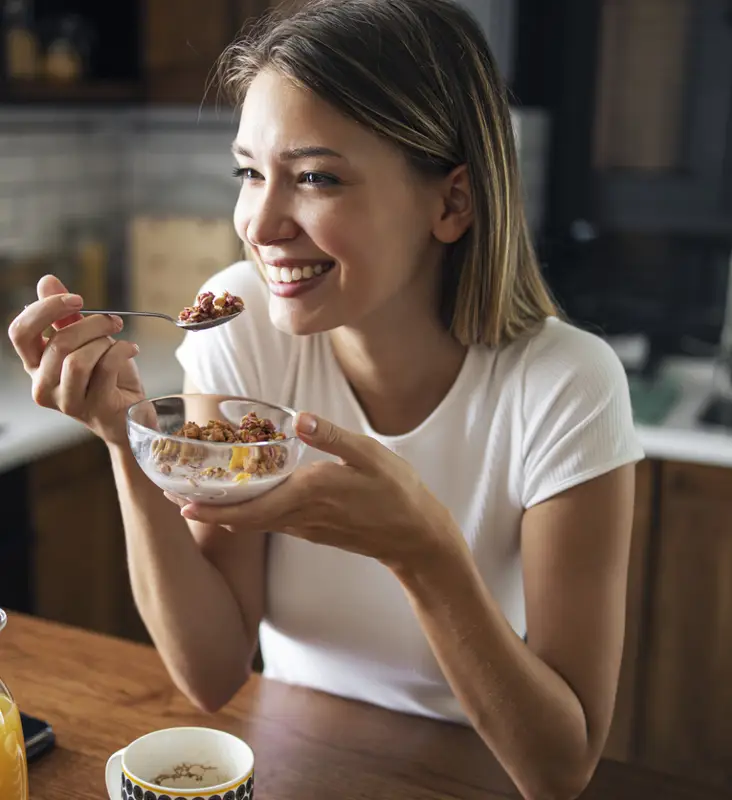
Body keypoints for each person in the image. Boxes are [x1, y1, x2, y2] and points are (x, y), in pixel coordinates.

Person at [7, 1, 644, 797]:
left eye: (315, 177)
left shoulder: (567, 388)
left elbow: (559, 768)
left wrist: (424, 552)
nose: (260, 222)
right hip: (292, 756)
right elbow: (209, 673)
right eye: (249, 171)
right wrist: (126, 439)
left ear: (453, 203)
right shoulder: (240, 331)